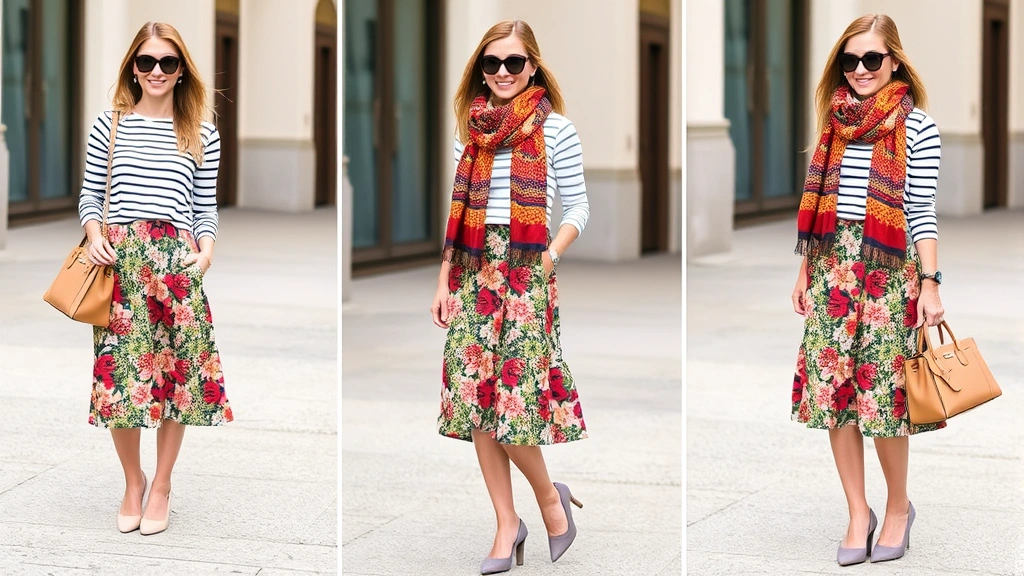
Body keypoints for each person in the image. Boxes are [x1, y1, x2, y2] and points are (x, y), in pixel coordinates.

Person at [430, 19, 589, 575]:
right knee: (476, 401)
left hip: (526, 272)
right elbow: (457, 215)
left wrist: (547, 259)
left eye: (513, 63)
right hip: (473, 270)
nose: (501, 73)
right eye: (490, 64)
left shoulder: (556, 130)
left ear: (533, 67)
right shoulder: (468, 132)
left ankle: (549, 499)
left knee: (514, 406)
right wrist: (444, 279)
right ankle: (506, 522)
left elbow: (578, 210)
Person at [790, 13, 945, 566]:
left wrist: (930, 283)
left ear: (894, 61)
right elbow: (820, 207)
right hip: (832, 267)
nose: (859, 69)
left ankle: (898, 507)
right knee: (834, 399)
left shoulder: (918, 126)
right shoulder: (832, 121)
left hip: (888, 272)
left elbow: (920, 212)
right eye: (850, 60)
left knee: (883, 400)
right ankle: (858, 511)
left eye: (871, 59)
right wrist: (806, 270)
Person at [80, 21, 232, 536]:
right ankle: (132, 480)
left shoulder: (202, 133)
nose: (157, 72)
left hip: (176, 265)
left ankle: (162, 484)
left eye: (168, 62)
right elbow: (87, 196)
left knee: (179, 378)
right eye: (146, 62)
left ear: (182, 70)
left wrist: (206, 253)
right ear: (133, 68)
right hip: (119, 266)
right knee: (119, 381)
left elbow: (206, 207)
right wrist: (95, 231)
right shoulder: (111, 123)